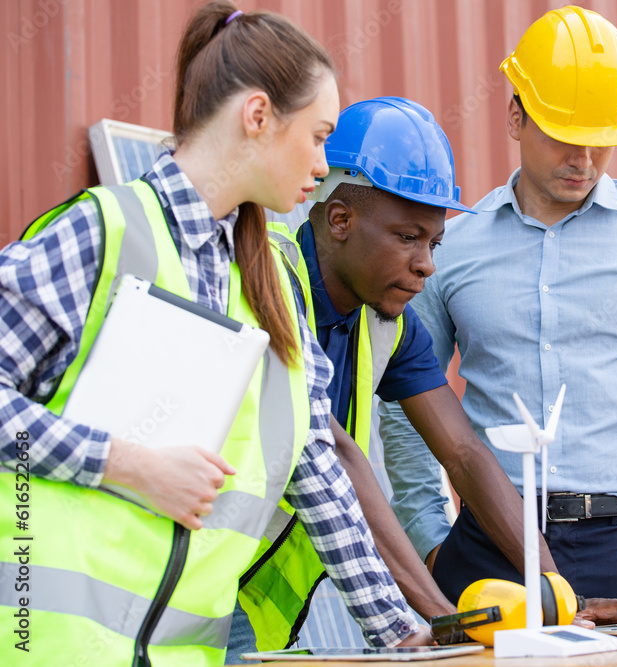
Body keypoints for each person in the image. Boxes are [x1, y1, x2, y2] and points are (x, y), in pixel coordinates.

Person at [0, 4, 431, 665]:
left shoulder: (276, 287)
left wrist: (403, 635)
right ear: (257, 117)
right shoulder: (104, 232)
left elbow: (318, 471)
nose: (323, 165)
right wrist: (128, 464)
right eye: (317, 137)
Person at [229, 97, 617, 659]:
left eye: (434, 243)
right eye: (407, 237)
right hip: (186, 571)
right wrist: (444, 619)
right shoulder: (264, 284)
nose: (427, 265)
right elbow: (334, 456)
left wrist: (558, 598)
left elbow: (463, 452)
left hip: (244, 590)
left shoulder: (387, 325)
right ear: (340, 220)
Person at [380, 5, 617, 621]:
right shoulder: (451, 248)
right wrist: (429, 540)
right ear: (515, 116)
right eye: (563, 136)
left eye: (601, 140)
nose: (584, 159)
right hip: (488, 548)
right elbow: (406, 396)